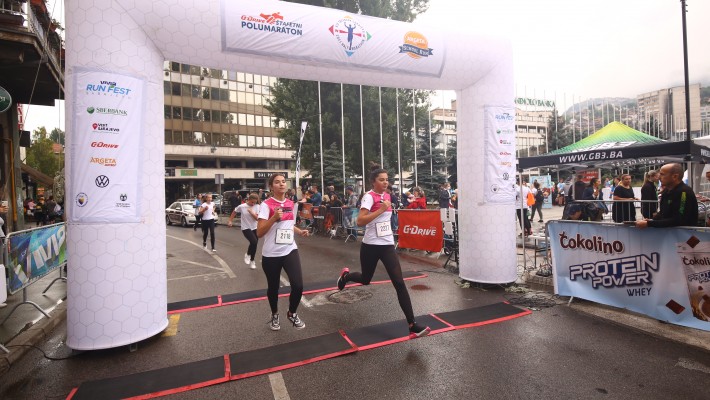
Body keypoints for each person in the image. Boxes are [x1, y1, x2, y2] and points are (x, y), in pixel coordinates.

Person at [336, 164, 430, 338]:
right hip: (371, 246)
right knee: (366, 279)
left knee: (399, 283)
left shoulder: (387, 196)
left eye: (387, 179)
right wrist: (380, 210)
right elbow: (360, 221)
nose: (385, 182)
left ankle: (412, 324)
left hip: (387, 246)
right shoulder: (368, 197)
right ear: (373, 182)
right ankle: (346, 277)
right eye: (381, 180)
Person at [257, 173, 310, 330]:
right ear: (271, 187)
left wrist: (299, 231)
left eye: (283, 181)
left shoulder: (290, 203)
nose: (281, 184)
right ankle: (274, 314)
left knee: (298, 285)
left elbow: (288, 225)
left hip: (290, 249)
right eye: (277, 182)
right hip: (271, 254)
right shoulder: (266, 205)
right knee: (273, 288)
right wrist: (273, 218)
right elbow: (259, 232)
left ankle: (292, 313)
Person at [636, 163, 698, 229]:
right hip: (670, 233)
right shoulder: (666, 191)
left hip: (684, 233)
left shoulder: (684, 192)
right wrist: (652, 220)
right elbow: (663, 213)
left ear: (675, 176)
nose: (659, 177)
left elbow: (678, 220)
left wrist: (649, 223)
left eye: (662, 174)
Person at [228, 193, 260, 269]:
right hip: (245, 228)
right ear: (248, 199)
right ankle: (248, 254)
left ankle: (252, 261)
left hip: (255, 227)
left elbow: (257, 218)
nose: (253, 204)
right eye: (252, 202)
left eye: (255, 202)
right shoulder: (242, 206)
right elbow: (234, 211)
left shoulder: (257, 206)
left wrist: (251, 212)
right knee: (254, 241)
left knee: (254, 244)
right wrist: (230, 221)